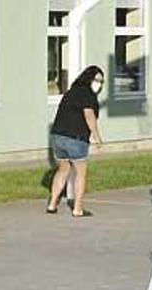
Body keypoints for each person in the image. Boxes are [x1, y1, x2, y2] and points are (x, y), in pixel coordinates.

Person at [47, 65, 105, 217]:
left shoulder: (71, 92)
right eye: (97, 80)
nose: (99, 84)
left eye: (101, 82)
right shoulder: (87, 95)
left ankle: (52, 204)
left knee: (63, 169)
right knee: (80, 173)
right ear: (89, 79)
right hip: (76, 138)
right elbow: (89, 115)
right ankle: (78, 208)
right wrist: (97, 137)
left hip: (58, 136)